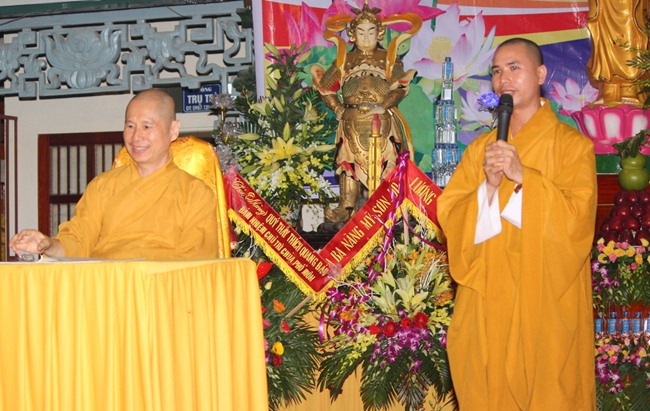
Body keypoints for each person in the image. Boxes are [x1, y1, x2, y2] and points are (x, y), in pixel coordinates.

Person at [437, 38, 597, 410]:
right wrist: (489, 188)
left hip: (545, 300)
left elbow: (577, 224)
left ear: (540, 74)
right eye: (496, 71)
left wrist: (525, 177)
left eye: (514, 68)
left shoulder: (573, 147)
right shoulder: (480, 151)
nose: (503, 79)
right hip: (489, 298)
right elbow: (451, 214)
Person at [10, 89, 220, 260]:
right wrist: (47, 244)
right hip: (106, 288)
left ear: (173, 130)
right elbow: (78, 242)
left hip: (160, 292)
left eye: (147, 126)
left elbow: (195, 264)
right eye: (130, 126)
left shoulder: (195, 193)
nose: (136, 137)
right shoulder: (102, 186)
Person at [311, 4, 420, 223]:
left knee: (388, 161)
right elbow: (325, 88)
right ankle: (346, 206)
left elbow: (400, 86)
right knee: (347, 162)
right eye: (361, 32)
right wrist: (338, 108)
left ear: (379, 32)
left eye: (371, 31)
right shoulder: (344, 60)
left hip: (382, 118)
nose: (366, 37)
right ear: (352, 35)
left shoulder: (389, 58)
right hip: (350, 119)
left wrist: (384, 105)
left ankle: (390, 205)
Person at [587, 0, 649, 105]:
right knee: (606, 41)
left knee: (629, 40)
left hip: (629, 9)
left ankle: (631, 91)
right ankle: (608, 91)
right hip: (605, 5)